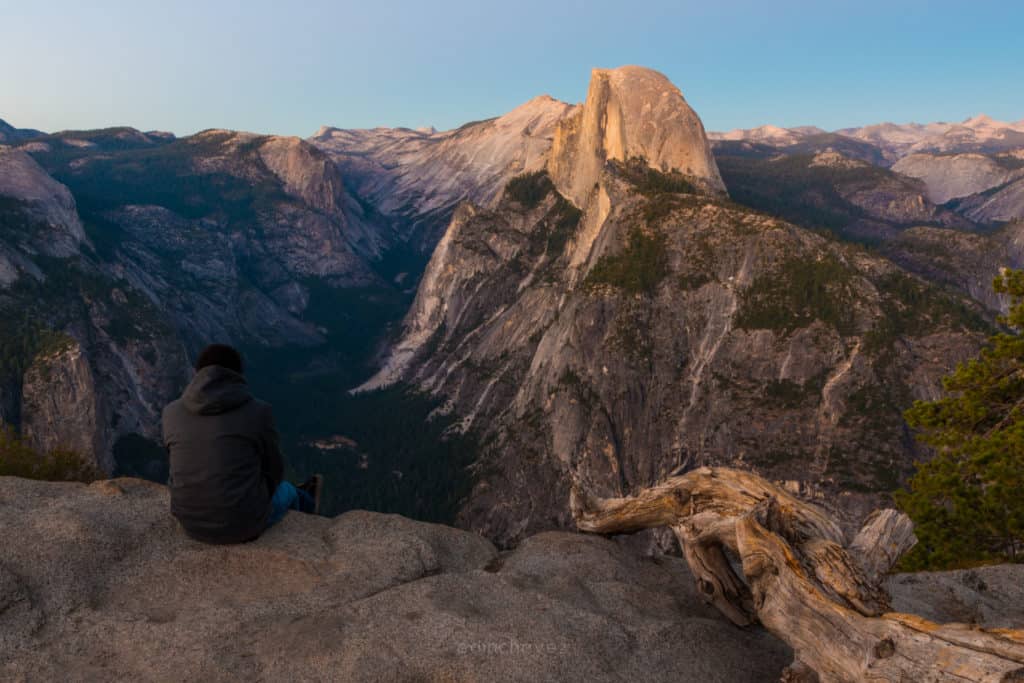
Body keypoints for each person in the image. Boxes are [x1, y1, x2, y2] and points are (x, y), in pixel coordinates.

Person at [162, 343, 323, 544]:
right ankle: (309, 508)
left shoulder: (170, 412)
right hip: (243, 526)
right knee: (287, 490)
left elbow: (175, 464)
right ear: (237, 375)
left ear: (197, 373)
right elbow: (274, 468)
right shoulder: (258, 411)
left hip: (190, 523)